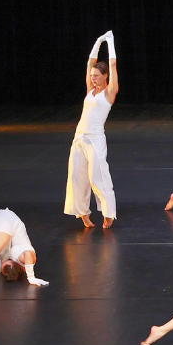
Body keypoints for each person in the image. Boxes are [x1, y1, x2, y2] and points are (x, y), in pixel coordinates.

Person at [65, 31, 118, 228]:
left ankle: (108, 213)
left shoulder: (109, 93)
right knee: (77, 177)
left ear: (105, 77)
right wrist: (97, 42)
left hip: (95, 139)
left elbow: (112, 65)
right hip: (79, 138)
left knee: (98, 176)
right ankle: (82, 213)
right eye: (91, 76)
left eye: (96, 76)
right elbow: (90, 63)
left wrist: (110, 42)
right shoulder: (90, 90)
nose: (93, 78)